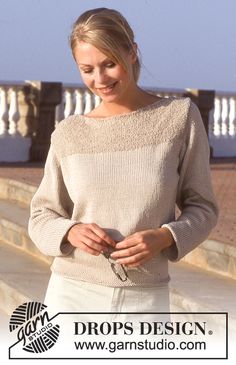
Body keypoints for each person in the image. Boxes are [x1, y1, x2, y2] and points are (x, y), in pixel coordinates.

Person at [28, 8, 218, 317]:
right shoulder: (68, 133)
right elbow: (41, 216)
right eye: (87, 69)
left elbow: (204, 207)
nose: (99, 79)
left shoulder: (179, 118)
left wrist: (166, 236)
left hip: (144, 300)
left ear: (132, 52)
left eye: (109, 64)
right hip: (70, 295)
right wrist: (70, 232)